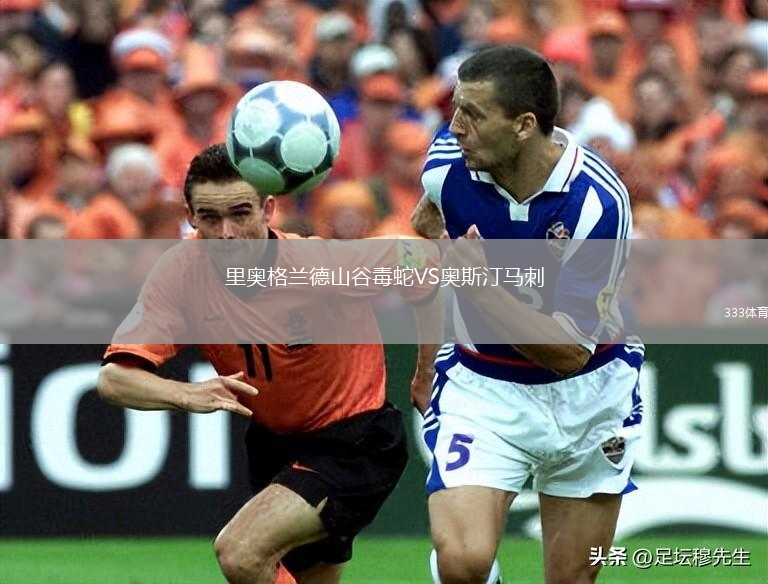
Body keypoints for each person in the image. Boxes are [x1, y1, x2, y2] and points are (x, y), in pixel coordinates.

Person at [97, 143, 442, 584]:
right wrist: (185, 393)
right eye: (209, 217)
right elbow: (113, 379)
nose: (226, 233)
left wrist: (426, 370)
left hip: (355, 442)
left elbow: (423, 264)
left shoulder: (316, 266)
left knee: (240, 552)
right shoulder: (181, 272)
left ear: (268, 209)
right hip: (274, 447)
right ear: (190, 217)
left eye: (240, 213)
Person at [410, 46, 644, 584]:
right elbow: (426, 227)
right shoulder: (446, 168)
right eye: (455, 109)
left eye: (472, 114)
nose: (455, 126)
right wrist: (426, 362)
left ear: (523, 125)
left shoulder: (596, 203)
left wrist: (483, 287)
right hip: (484, 387)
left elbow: (569, 352)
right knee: (462, 564)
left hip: (588, 393)